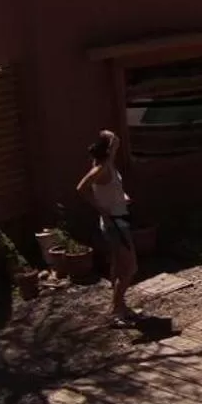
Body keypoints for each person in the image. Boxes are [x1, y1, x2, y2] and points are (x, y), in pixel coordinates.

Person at [75, 129, 140, 326]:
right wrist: (101, 208)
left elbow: (109, 190)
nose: (116, 146)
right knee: (130, 268)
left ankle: (121, 307)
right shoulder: (101, 168)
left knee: (119, 266)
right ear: (108, 149)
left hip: (118, 220)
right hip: (115, 223)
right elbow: (81, 188)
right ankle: (116, 311)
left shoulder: (107, 164)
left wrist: (122, 198)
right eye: (112, 145)